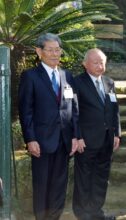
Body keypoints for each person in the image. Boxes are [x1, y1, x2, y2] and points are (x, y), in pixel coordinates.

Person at [18, 33, 79, 220]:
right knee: (42, 185)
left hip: (64, 141)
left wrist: (75, 136)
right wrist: (30, 139)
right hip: (41, 142)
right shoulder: (30, 76)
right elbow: (25, 111)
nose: (55, 54)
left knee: (59, 186)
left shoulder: (66, 75)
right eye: (50, 50)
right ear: (39, 51)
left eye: (57, 50)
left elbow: (73, 108)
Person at [72, 48, 121, 220]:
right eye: (96, 62)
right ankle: (82, 213)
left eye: (102, 62)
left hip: (106, 140)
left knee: (101, 178)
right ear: (85, 64)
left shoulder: (109, 82)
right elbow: (74, 112)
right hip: (86, 140)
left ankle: (96, 212)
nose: (100, 66)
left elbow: (114, 110)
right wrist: (77, 137)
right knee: (84, 178)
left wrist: (117, 134)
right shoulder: (77, 82)